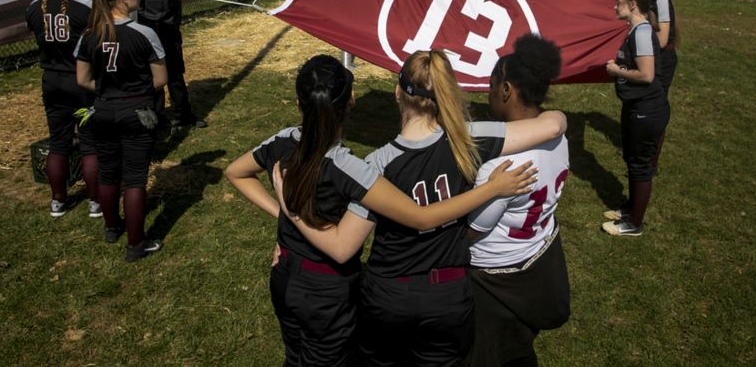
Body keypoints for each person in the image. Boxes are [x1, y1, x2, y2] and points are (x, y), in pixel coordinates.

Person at [225, 54, 541, 367]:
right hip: (327, 292)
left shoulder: (281, 141)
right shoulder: (352, 168)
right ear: (351, 100)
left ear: (298, 102)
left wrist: (284, 210)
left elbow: (234, 172)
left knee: (294, 356)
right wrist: (290, 212)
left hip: (284, 277)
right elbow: (406, 223)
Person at [466, 34, 570, 367]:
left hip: (494, 279)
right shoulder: (557, 135)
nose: (488, 93)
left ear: (507, 90)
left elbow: (473, 231)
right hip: (538, 262)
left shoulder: (499, 168)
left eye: (492, 85)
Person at [75, 0, 168, 262]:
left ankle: (112, 227)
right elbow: (161, 78)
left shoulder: (89, 34)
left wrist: (108, 90)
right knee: (136, 178)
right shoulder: (144, 33)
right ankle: (136, 243)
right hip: (135, 110)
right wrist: (133, 91)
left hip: (102, 110)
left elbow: (82, 79)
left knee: (108, 171)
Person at [24, 0, 100, 218]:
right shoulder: (84, 9)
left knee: (59, 142)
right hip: (80, 84)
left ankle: (58, 200)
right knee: (89, 142)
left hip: (52, 82)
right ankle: (94, 201)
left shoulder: (35, 7)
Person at [603, 0, 666, 237]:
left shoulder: (641, 32)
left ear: (633, 5)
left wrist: (617, 71)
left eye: (618, 2)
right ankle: (630, 208)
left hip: (647, 109)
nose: (614, 6)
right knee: (631, 159)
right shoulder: (635, 30)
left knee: (640, 165)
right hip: (636, 106)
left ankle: (634, 224)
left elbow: (647, 75)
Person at [135, 0, 206, 129]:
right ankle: (157, 118)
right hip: (153, 26)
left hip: (171, 26)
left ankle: (182, 115)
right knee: (156, 72)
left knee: (176, 71)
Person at [634, 0, 678, 169]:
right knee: (641, 102)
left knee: (655, 108)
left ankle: (651, 160)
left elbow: (662, 39)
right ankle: (638, 146)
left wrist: (642, 38)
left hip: (663, 59)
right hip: (651, 56)